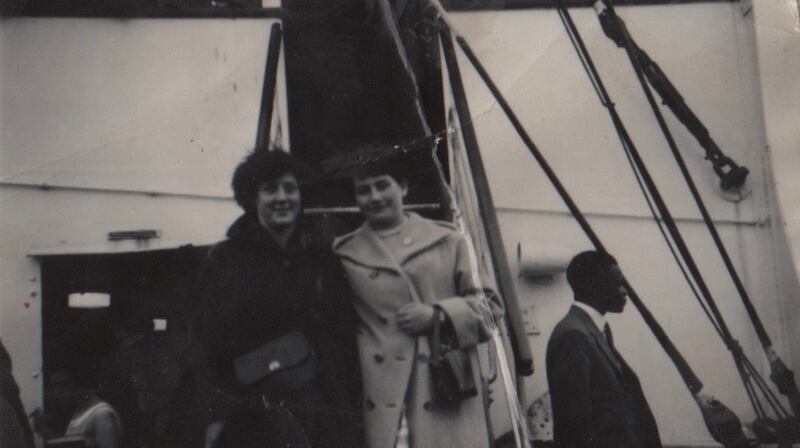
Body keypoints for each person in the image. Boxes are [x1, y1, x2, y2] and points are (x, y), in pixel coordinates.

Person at [331, 147, 503, 448]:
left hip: (439, 389)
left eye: (383, 185)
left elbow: (493, 309)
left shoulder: (449, 240)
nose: (374, 197)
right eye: (363, 191)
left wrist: (439, 315)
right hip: (382, 395)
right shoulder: (343, 253)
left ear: (404, 187)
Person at [194, 148, 360, 448]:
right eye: (270, 189)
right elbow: (209, 342)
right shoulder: (226, 259)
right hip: (253, 414)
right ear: (252, 198)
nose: (282, 198)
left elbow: (344, 334)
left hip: (322, 411)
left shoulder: (322, 256)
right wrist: (216, 415)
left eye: (290, 188)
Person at [546, 250, 662, 448]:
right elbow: (575, 428)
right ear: (591, 286)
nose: (625, 291)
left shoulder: (596, 329)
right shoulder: (574, 335)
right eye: (617, 282)